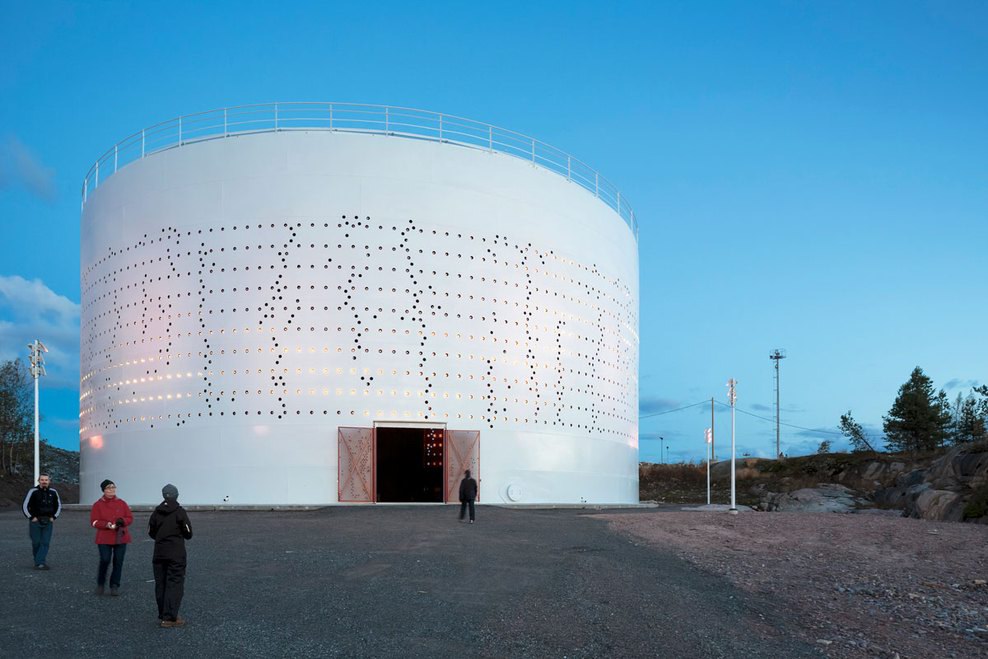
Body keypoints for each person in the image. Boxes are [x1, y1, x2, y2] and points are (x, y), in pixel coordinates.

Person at [148, 483, 193, 628]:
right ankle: (170, 617)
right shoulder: (180, 512)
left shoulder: (156, 512)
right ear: (176, 495)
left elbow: (151, 531)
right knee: (174, 582)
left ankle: (163, 614)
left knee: (161, 583)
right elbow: (188, 533)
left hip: (159, 552)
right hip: (176, 552)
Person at [90, 479, 134, 596]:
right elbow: (94, 521)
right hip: (104, 536)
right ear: (104, 490)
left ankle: (114, 585)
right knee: (105, 560)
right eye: (109, 488)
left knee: (118, 561)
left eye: (113, 487)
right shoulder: (97, 505)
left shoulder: (122, 503)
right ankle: (100, 583)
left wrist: (122, 521)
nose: (111, 490)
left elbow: (129, 518)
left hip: (120, 536)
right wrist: (106, 524)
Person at [22, 473, 62, 569]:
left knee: (45, 542)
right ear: (39, 481)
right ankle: (38, 561)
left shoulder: (53, 492)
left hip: (48, 520)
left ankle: (40, 563)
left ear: (49, 481)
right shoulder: (33, 491)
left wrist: (54, 517)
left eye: (46, 480)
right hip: (35, 521)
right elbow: (25, 505)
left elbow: (58, 505)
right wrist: (31, 517)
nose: (44, 481)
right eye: (42, 480)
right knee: (36, 542)